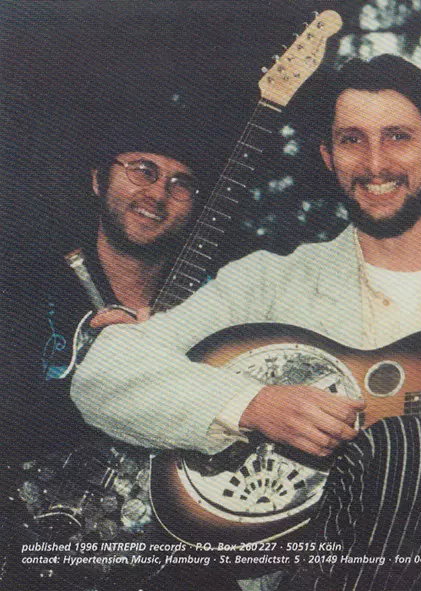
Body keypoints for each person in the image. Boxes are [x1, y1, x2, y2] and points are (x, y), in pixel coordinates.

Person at [71, 56, 421, 590]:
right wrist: (254, 405)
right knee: (400, 448)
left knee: (404, 448)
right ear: (328, 156)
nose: (375, 163)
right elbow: (106, 372)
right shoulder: (266, 283)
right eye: (352, 140)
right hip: (309, 575)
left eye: (398, 137)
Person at [0, 108, 244, 591]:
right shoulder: (23, 284)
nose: (158, 194)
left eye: (181, 184)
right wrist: (96, 369)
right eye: (142, 170)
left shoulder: (219, 313)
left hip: (164, 559)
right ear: (99, 180)